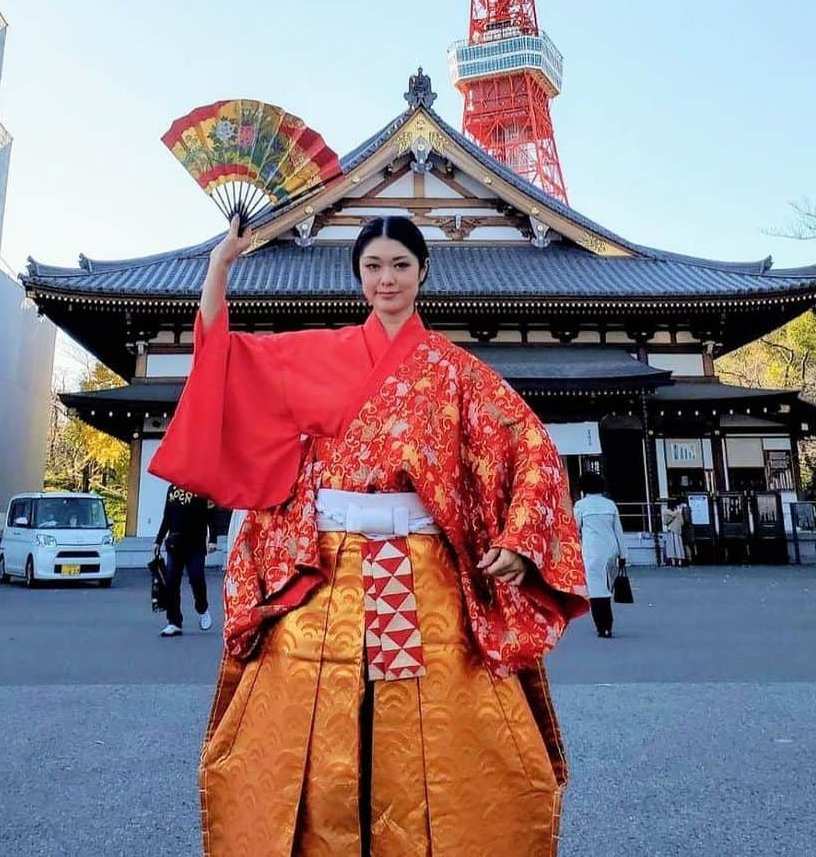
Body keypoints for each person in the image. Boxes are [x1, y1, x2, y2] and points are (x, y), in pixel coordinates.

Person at [149, 214, 588, 855]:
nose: (387, 279)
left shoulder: (455, 371)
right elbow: (222, 359)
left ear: (422, 273)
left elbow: (530, 445)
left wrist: (522, 537)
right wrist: (220, 267)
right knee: (311, 716)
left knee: (434, 725)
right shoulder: (314, 353)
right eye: (374, 266)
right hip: (327, 565)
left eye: (400, 265)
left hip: (423, 568)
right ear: (358, 276)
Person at [154, 483, 217, 636]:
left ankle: (202, 608)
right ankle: (174, 621)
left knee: (196, 577)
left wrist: (213, 539)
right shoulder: (172, 489)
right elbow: (166, 517)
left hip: (195, 544)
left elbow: (212, 516)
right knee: (171, 583)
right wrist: (158, 540)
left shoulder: (203, 488)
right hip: (174, 543)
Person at [573, 471, 627, 638]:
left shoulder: (581, 506)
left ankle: (602, 626)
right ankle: (608, 624)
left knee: (596, 590)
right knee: (607, 588)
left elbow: (574, 529)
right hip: (612, 550)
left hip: (592, 551)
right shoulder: (610, 505)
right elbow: (619, 531)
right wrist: (623, 554)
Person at [661, 496, 687, 567]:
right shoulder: (678, 513)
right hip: (677, 531)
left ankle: (673, 562)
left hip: (670, 530)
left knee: (671, 547)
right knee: (678, 546)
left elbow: (665, 522)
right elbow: (682, 522)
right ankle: (679, 562)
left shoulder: (666, 513)